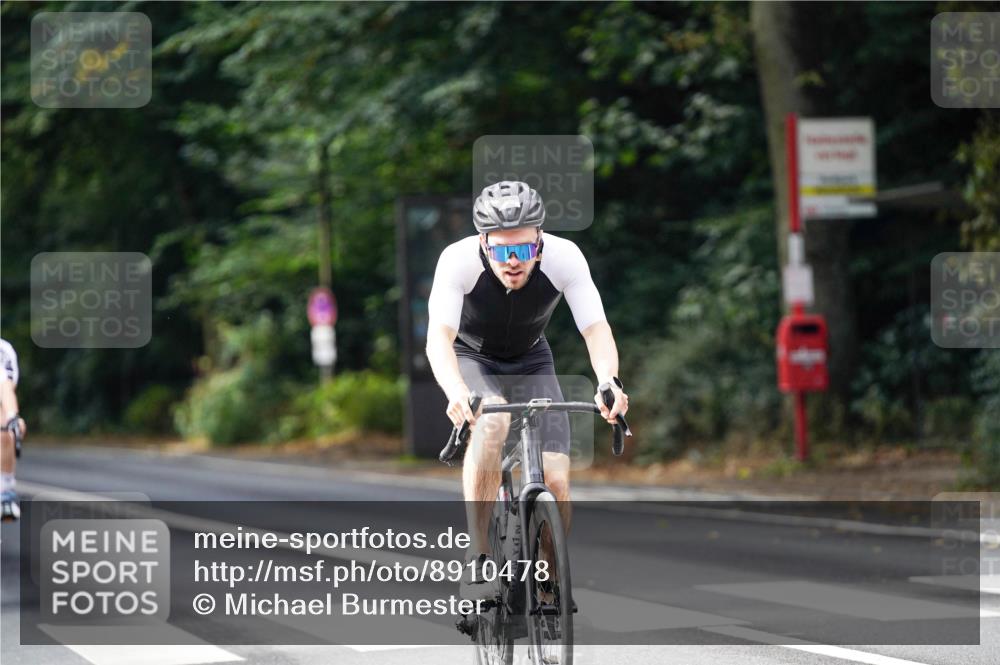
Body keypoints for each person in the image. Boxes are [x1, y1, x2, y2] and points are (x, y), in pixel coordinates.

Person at [425, 181, 628, 600]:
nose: (514, 262)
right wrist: (456, 390)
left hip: (533, 358)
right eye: (502, 251)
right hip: (472, 358)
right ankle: (480, 554)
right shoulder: (457, 261)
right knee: (493, 421)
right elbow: (438, 338)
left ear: (540, 240)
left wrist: (608, 380)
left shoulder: (564, 257)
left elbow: (596, 329)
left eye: (524, 249)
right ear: (484, 243)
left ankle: (550, 582)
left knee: (557, 482)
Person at [1, 338, 26, 522]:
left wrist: (12, 416)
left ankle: (5, 494)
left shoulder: (3, 351)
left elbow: (5, 389)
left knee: (6, 429)